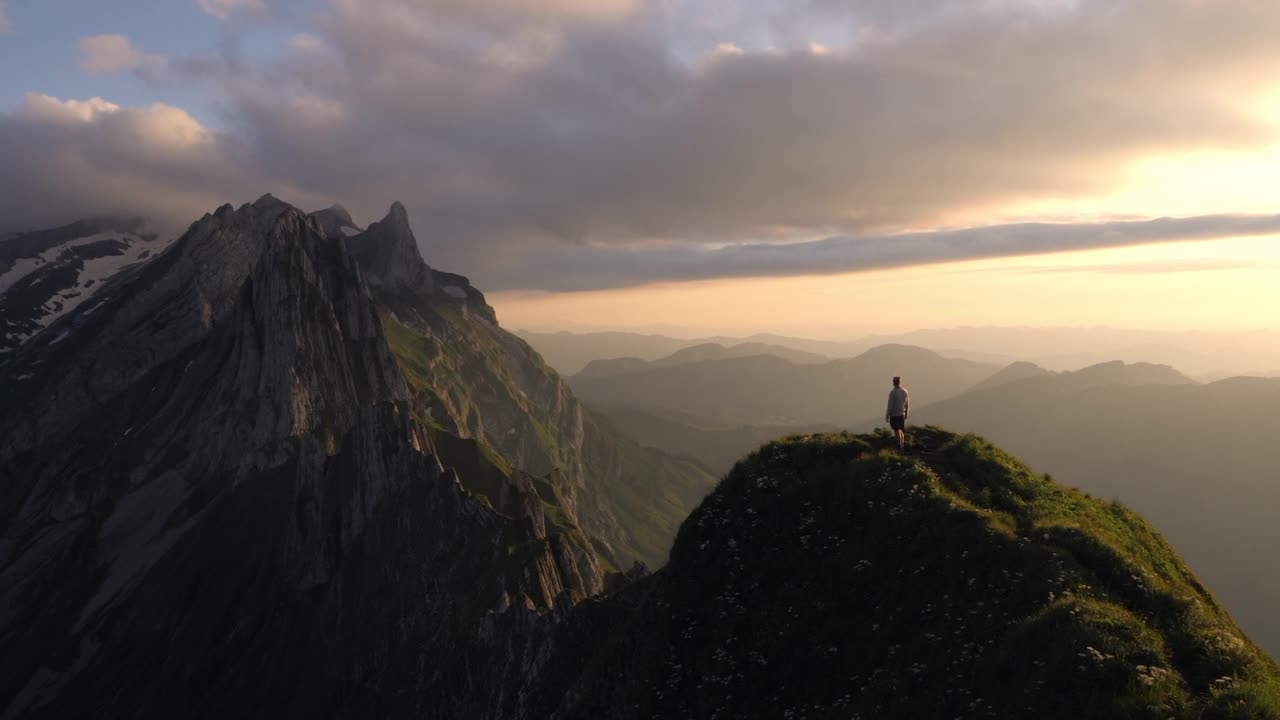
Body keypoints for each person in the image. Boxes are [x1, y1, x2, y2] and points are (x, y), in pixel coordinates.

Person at [885, 376, 909, 452]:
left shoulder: (892, 393)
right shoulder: (905, 391)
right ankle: (902, 445)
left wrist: (887, 415)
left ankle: (899, 445)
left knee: (896, 430)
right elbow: (907, 404)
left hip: (894, 415)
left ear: (893, 383)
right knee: (901, 430)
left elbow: (890, 405)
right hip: (902, 414)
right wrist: (906, 414)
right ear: (900, 382)